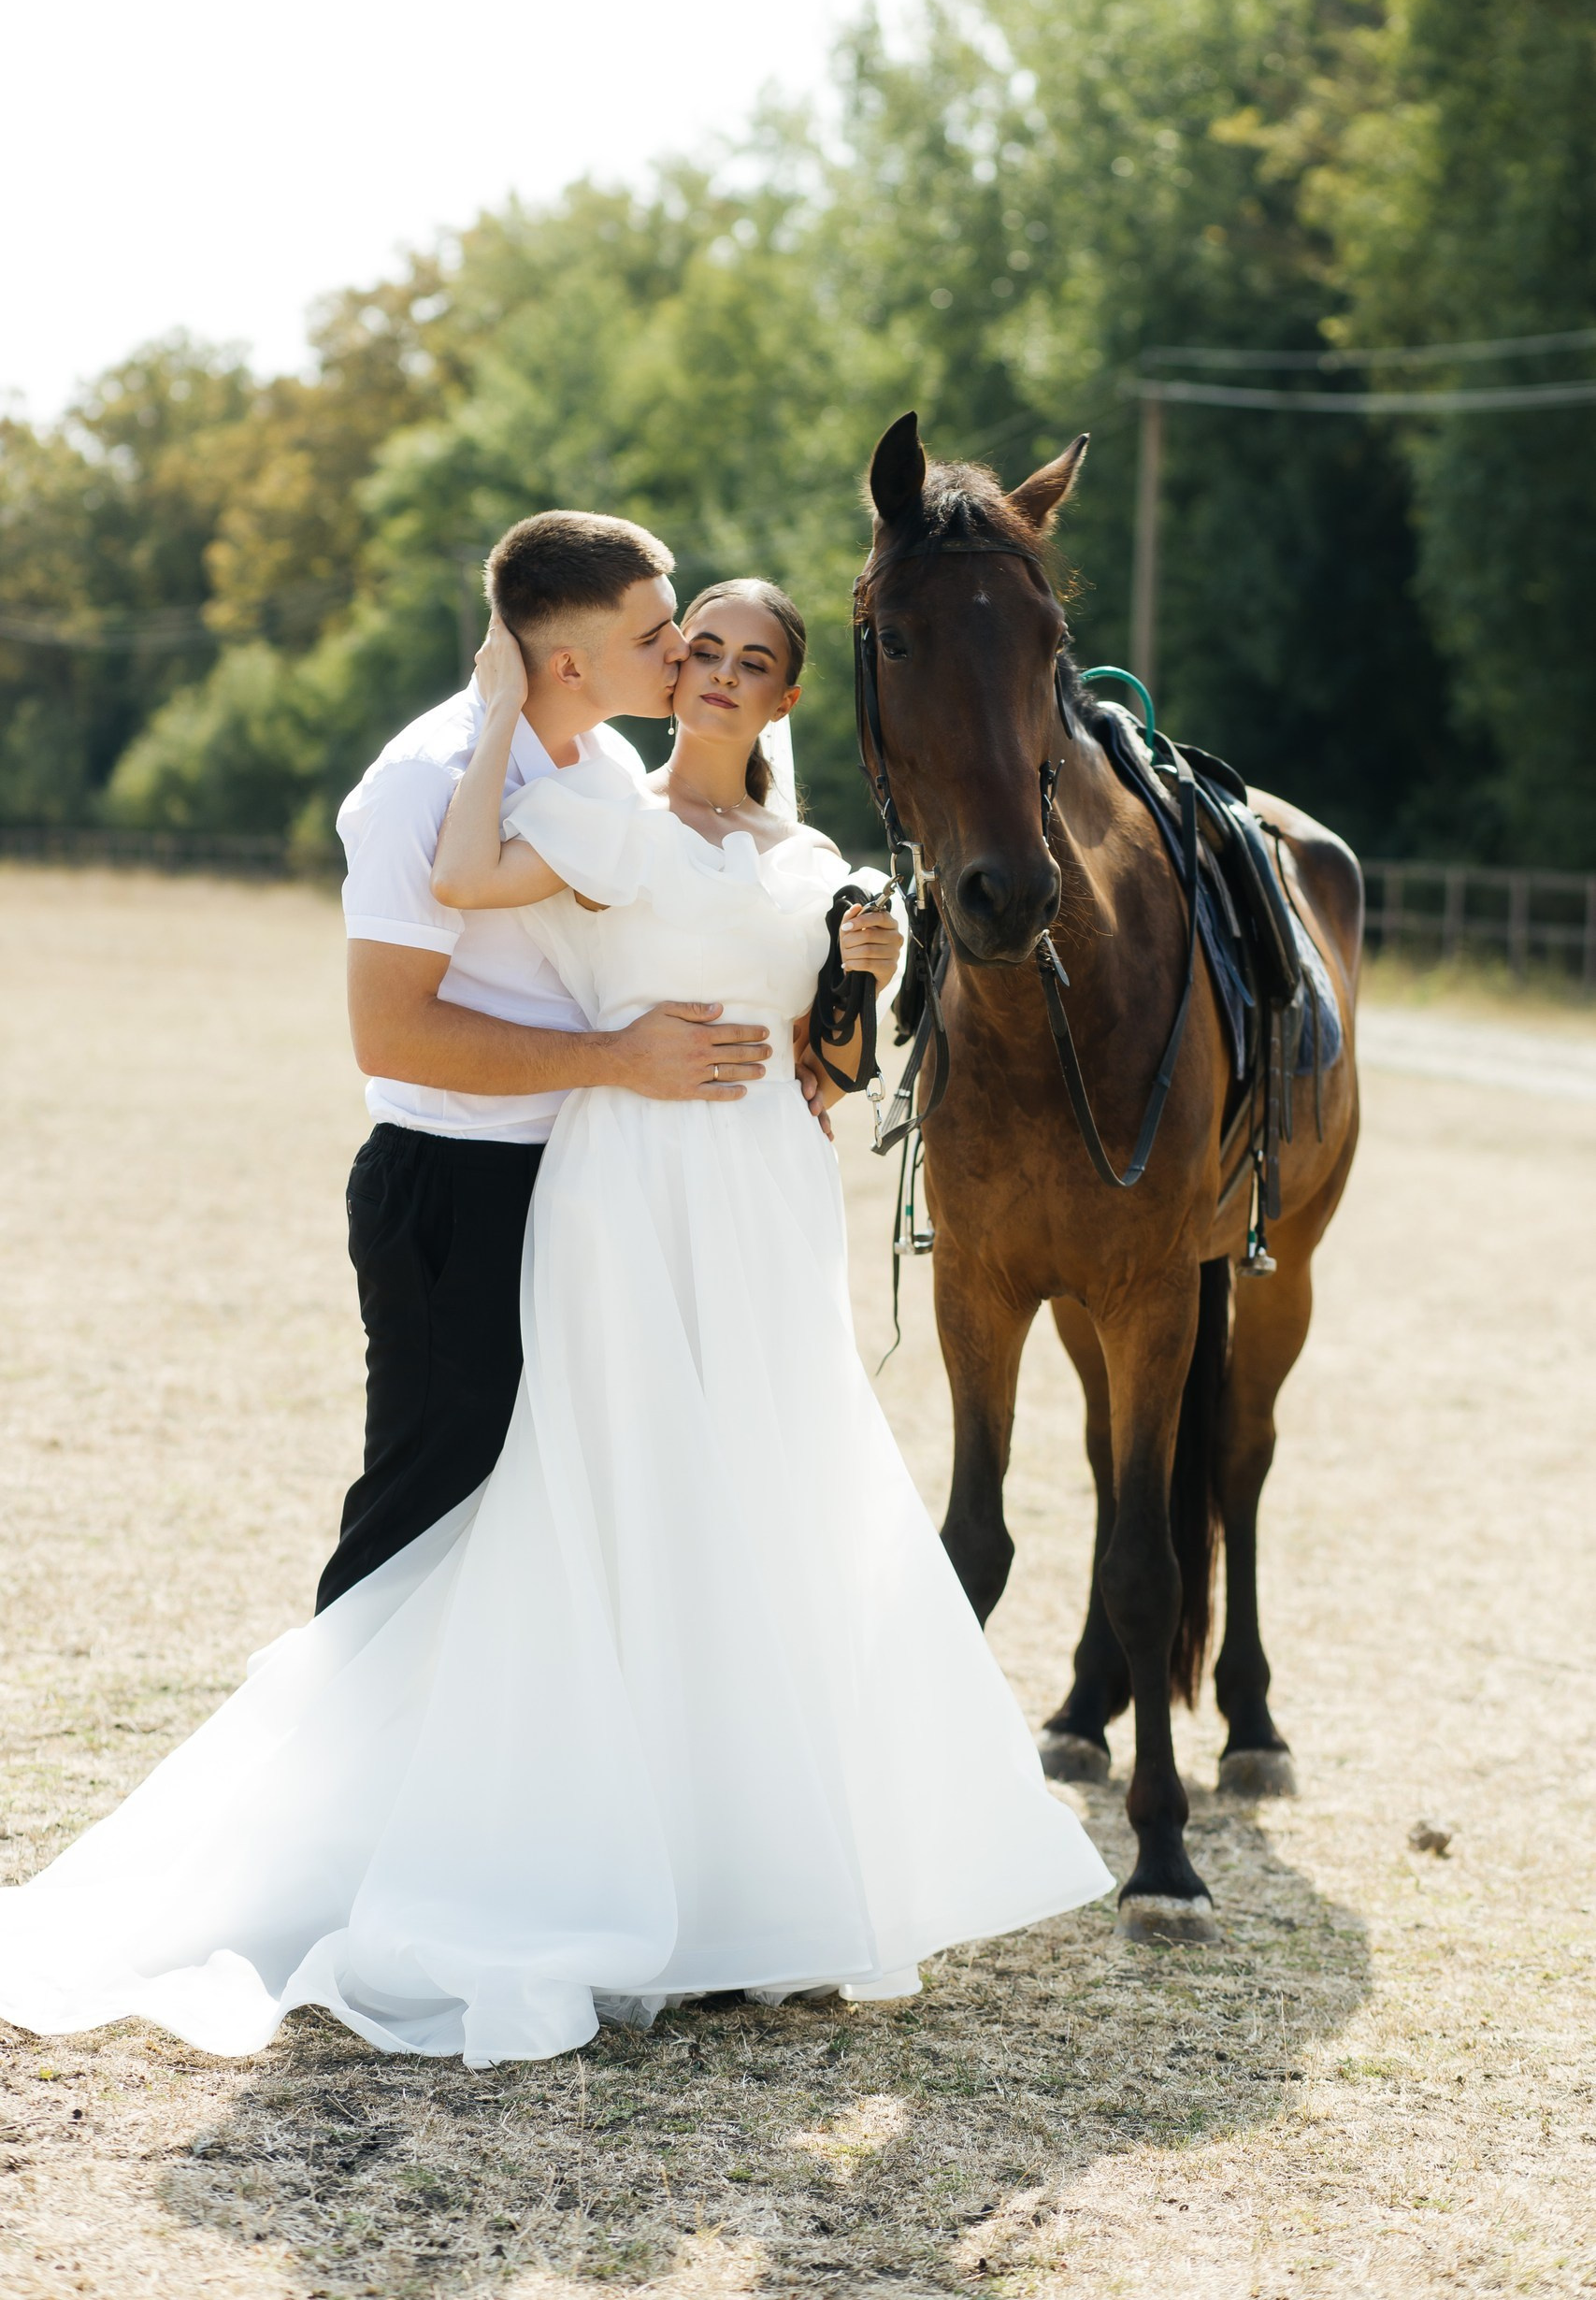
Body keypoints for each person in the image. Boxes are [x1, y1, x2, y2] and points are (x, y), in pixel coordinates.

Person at [0, 572, 1111, 2067]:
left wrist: (855, 984)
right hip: (624, 1185)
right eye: (696, 648)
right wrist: (505, 709)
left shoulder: (817, 863)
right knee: (619, 1495)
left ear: (786, 695)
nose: (711, 672)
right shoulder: (602, 814)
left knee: (759, 1507)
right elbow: (463, 883)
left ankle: (753, 1882)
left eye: (745, 660)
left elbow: (829, 1076)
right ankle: (566, 1858)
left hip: (765, 1206)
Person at [317, 510, 783, 1610]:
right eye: (659, 634)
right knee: (426, 1511)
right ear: (570, 661)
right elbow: (391, 1035)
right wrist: (617, 1059)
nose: (683, 651)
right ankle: (340, 1766)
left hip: (588, 1185)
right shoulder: (421, 785)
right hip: (455, 1185)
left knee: (555, 1525)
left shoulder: (611, 757)